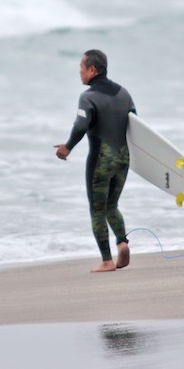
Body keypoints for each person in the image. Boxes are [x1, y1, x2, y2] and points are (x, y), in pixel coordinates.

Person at [54, 49, 136, 272]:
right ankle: (122, 243)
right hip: (123, 159)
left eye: (81, 68)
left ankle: (107, 261)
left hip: (100, 161)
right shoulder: (123, 93)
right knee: (112, 206)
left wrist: (67, 147)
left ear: (92, 69)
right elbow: (136, 127)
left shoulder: (88, 97)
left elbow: (81, 126)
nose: (79, 72)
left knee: (97, 210)